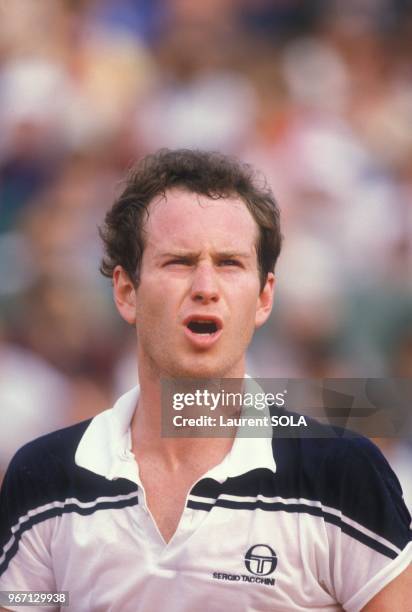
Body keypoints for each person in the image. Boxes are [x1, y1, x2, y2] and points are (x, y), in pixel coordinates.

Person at [0, 149, 411, 611]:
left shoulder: (344, 474)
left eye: (230, 263)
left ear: (264, 297)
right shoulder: (42, 478)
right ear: (126, 291)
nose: (205, 286)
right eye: (178, 261)